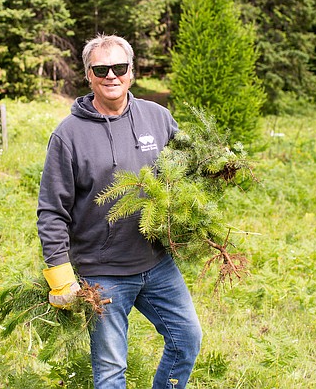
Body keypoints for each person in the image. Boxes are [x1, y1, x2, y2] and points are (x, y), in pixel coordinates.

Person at [37, 34, 202, 388]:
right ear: (89, 75)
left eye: (119, 67)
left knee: (187, 339)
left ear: (132, 72)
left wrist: (214, 166)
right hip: (103, 274)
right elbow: (52, 210)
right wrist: (60, 275)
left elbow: (187, 166)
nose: (111, 75)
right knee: (111, 371)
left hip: (157, 264)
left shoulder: (158, 118)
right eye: (101, 68)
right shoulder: (68, 136)